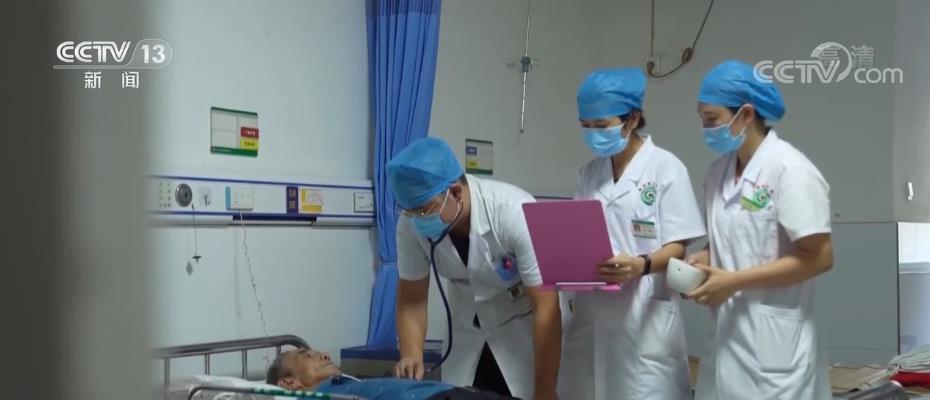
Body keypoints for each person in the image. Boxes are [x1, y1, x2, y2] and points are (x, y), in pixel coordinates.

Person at [687, 60, 834, 399]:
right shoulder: (717, 173)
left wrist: (734, 281)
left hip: (776, 347)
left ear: (746, 114)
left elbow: (820, 257)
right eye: (702, 119)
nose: (706, 128)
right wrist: (704, 258)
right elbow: (731, 239)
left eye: (712, 119)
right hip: (726, 340)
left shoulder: (791, 170)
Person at [558, 67, 706, 399]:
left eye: (602, 126)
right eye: (586, 126)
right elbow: (579, 236)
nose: (593, 134)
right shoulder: (588, 174)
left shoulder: (666, 168)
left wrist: (640, 265)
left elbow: (679, 246)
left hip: (644, 316)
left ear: (633, 119)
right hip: (591, 316)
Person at [387, 137, 562, 400]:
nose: (417, 219)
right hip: (467, 336)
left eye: (424, 210)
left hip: (524, 334)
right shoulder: (410, 224)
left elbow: (546, 307)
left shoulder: (514, 211)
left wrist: (546, 390)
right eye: (410, 211)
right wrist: (412, 354)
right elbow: (412, 300)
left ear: (456, 192)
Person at [267, 348, 516, 400]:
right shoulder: (324, 397)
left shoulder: (349, 383)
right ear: (289, 382)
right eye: (307, 356)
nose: (323, 355)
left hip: (457, 393)